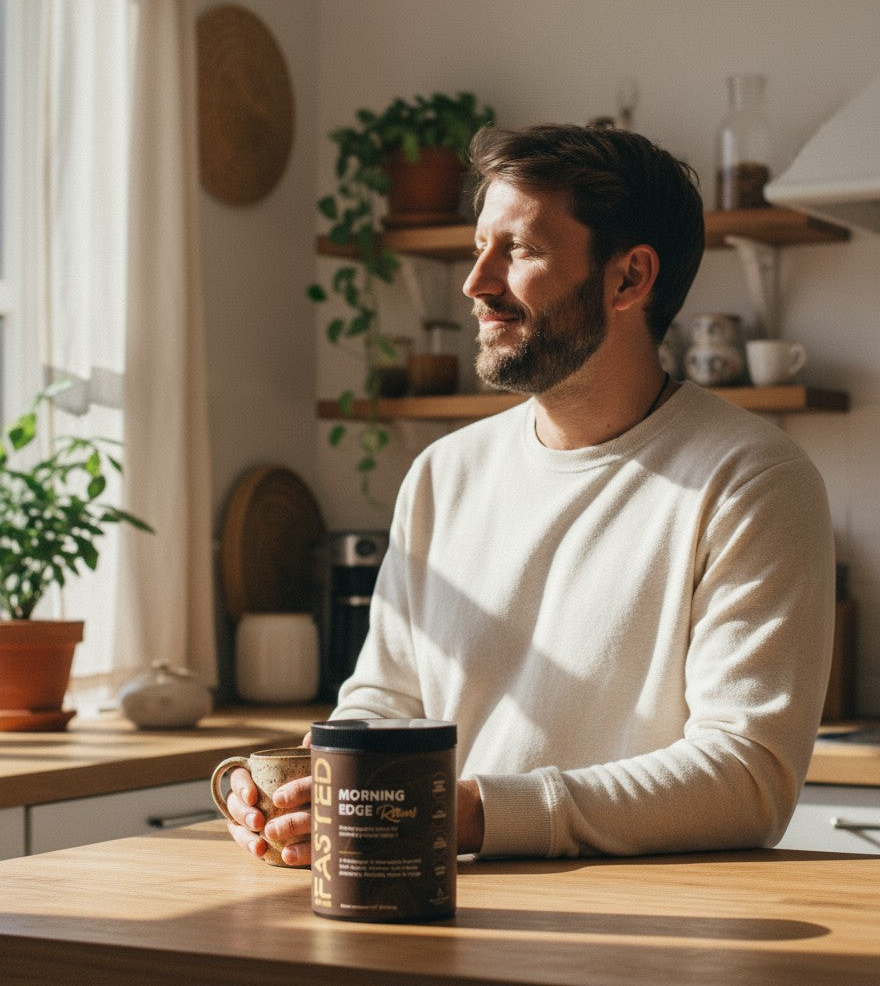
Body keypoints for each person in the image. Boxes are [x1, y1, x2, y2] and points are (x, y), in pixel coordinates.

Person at [224, 123, 835, 864]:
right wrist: (309, 796)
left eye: (520, 250)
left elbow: (746, 777)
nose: (476, 281)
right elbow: (385, 704)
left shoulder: (751, 480)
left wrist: (473, 813)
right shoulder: (443, 475)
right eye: (480, 245)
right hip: (444, 917)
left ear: (629, 279)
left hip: (651, 941)